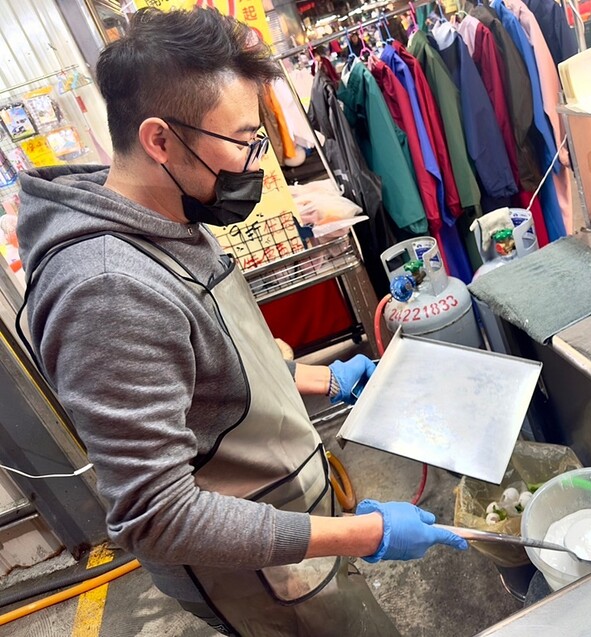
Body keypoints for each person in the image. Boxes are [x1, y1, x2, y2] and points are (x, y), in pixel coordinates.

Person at [16, 8, 467, 637]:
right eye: (244, 141)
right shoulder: (106, 289)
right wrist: (363, 534)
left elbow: (209, 371)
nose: (257, 164)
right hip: (254, 571)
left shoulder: (166, 213)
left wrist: (323, 379)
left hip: (284, 506)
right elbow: (158, 516)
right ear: (159, 140)